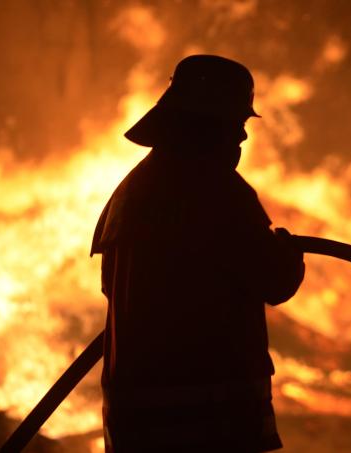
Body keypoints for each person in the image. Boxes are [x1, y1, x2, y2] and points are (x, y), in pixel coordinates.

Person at [90, 55, 305, 452]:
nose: (241, 138)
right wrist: (289, 254)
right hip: (214, 425)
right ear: (209, 124)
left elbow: (109, 288)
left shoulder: (129, 195)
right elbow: (273, 280)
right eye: (236, 124)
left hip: (134, 425)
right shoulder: (217, 192)